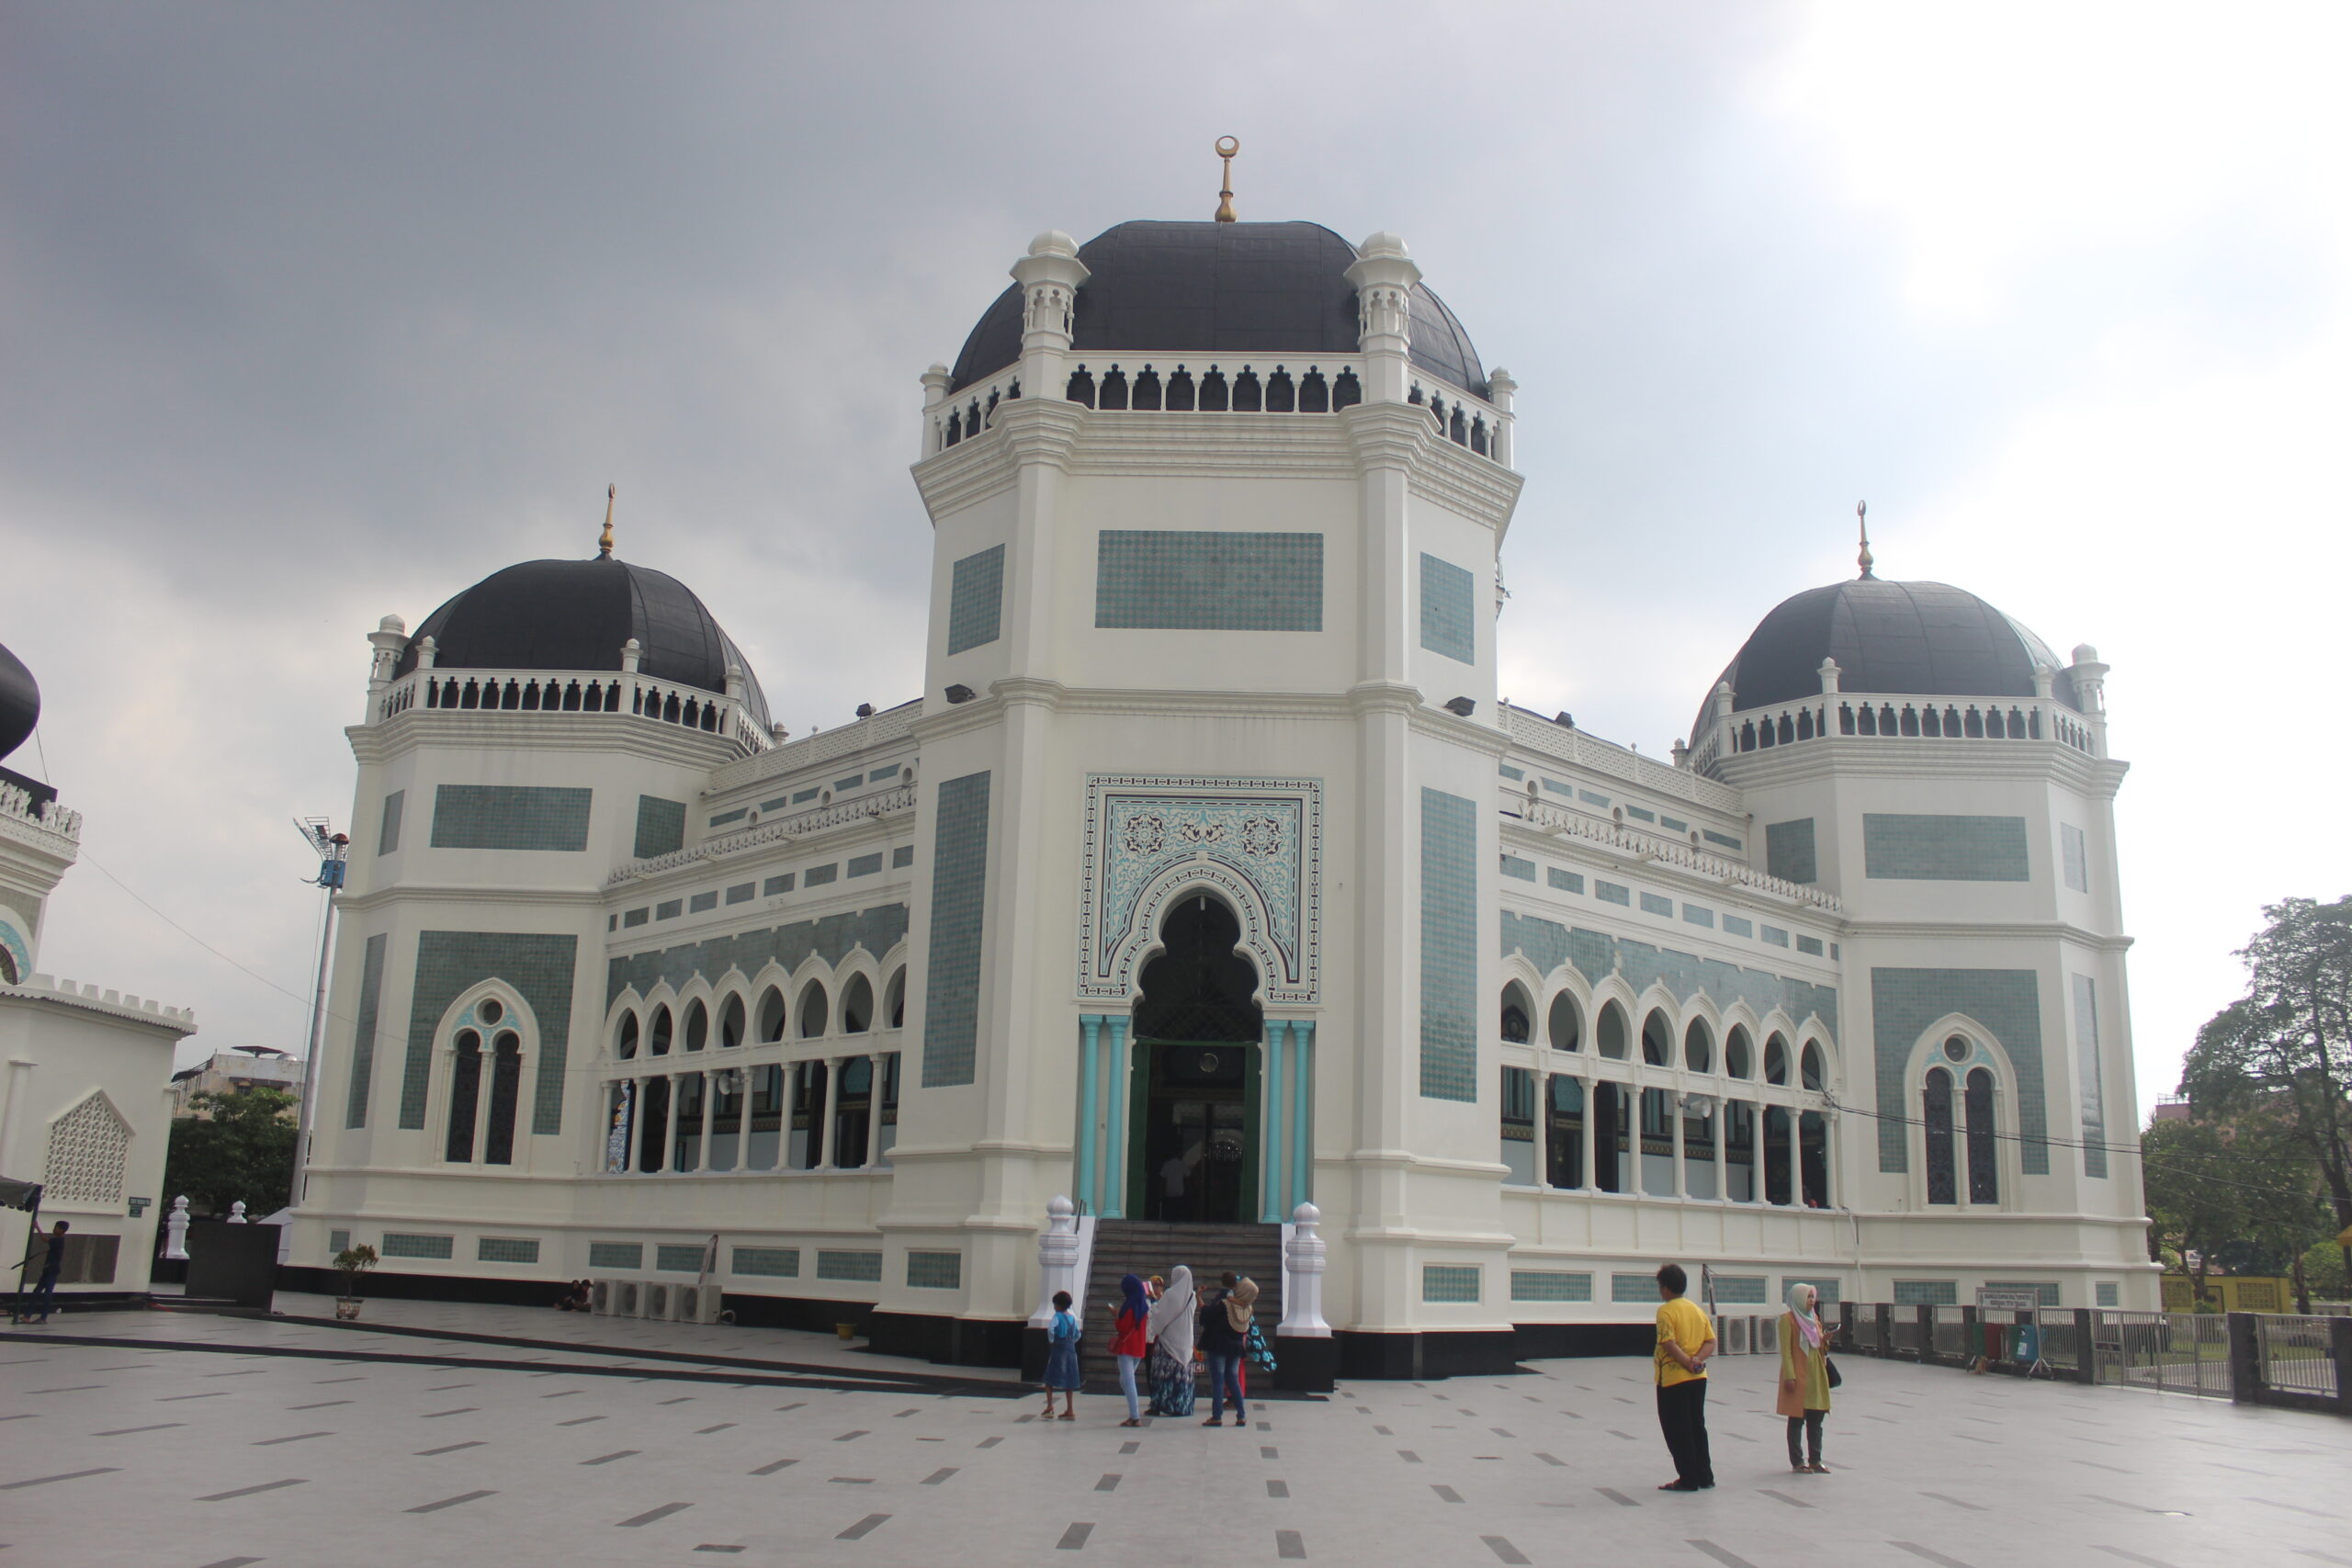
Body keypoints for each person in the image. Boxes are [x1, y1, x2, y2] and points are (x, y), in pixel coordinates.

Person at [1653, 1261, 1715, 1491]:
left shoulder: (1666, 1311)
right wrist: (1697, 1360)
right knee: (1697, 1425)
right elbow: (1711, 1341)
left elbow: (1668, 1342)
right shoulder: (1696, 1309)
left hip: (1673, 1379)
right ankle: (1704, 1475)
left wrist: (1687, 1362)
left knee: (1677, 1429)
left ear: (1666, 1288)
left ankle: (1688, 1478)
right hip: (1699, 1378)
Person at [1778, 1280, 1832, 1473]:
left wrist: (1824, 1340)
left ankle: (1816, 1460)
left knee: (1816, 1418)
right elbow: (1786, 1351)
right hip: (1799, 1375)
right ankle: (1798, 1461)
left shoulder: (1813, 1318)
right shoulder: (1788, 1320)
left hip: (1816, 1373)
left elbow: (1817, 1346)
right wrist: (1789, 1376)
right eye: (1808, 1297)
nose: (1811, 1301)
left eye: (1812, 1297)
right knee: (1796, 1419)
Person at [1198, 1270, 1255, 1427]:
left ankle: (1217, 1416)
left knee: (1218, 1381)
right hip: (1236, 1347)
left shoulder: (1224, 1303)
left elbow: (1206, 1317)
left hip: (1219, 1344)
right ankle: (1241, 1415)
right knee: (1233, 1380)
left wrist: (1199, 1298)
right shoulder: (1248, 1308)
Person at [1145, 1264, 1196, 1416]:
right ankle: (1181, 1406)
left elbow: (1161, 1317)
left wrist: (1154, 1304)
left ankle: (1160, 1404)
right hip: (1186, 1341)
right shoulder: (1192, 1296)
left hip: (1169, 1341)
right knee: (1183, 1373)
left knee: (1162, 1373)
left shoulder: (1170, 1294)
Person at [1110, 1273, 1150, 1427]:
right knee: (1126, 1379)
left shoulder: (1130, 1305)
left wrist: (1116, 1316)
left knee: (1128, 1381)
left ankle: (1134, 1416)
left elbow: (1122, 1327)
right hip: (1139, 1346)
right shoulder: (1143, 1304)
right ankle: (1133, 1411)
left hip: (1127, 1346)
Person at [17, 1221, 68, 1325]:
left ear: (61, 1230)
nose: (54, 1230)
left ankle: (42, 1317)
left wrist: (37, 1227)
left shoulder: (58, 1240)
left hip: (51, 1270)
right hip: (48, 1270)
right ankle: (28, 1316)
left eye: (56, 1228)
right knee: (37, 1292)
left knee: (46, 1293)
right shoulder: (58, 1241)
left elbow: (44, 1239)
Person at [1041, 1289, 1080, 1420]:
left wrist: (1052, 1340)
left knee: (1049, 1378)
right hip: (1071, 1350)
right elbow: (1077, 1334)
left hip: (1059, 1348)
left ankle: (1050, 1406)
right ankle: (1070, 1409)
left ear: (1058, 1305)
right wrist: (1072, 1341)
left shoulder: (1057, 1317)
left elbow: (1051, 1329)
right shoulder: (1072, 1318)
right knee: (1070, 1379)